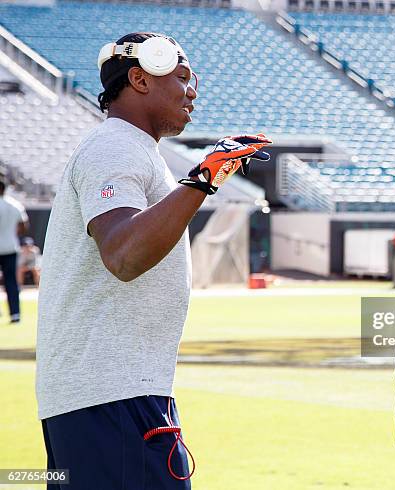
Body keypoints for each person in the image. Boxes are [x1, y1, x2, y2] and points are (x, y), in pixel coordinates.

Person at [36, 32, 271, 489]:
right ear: (140, 80)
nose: (193, 90)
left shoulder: (135, 149)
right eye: (182, 77)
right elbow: (123, 255)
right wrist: (204, 179)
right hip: (113, 399)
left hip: (109, 396)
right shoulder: (114, 146)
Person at [0, 177, 28, 323]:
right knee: (11, 281)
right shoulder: (14, 204)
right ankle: (15, 314)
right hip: (10, 247)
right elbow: (24, 225)